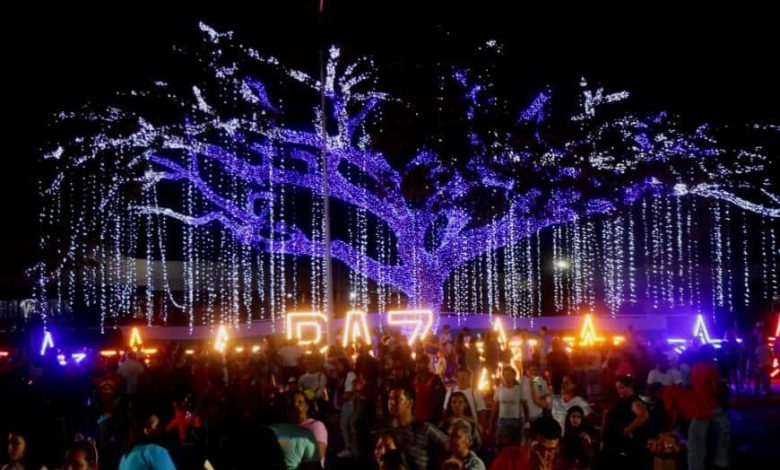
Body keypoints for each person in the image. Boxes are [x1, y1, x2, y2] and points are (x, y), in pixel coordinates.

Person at [386, 385, 447, 470]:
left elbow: (450, 445)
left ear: (410, 403)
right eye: (390, 399)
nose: (391, 402)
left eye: (397, 399)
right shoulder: (384, 429)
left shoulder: (425, 428)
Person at [600, 375, 649, 468]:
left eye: (621, 388)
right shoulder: (621, 402)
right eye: (617, 389)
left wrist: (628, 428)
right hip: (613, 447)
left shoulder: (634, 402)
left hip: (625, 449)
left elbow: (644, 415)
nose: (619, 391)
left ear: (630, 387)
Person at [489, 416, 562, 470]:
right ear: (529, 441)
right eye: (540, 448)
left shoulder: (559, 464)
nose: (545, 455)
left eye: (550, 450)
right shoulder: (509, 456)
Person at [491, 366, 527, 447]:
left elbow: (525, 406)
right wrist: (491, 424)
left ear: (514, 376)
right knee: (503, 444)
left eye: (509, 375)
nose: (506, 377)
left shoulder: (519, 389)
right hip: (502, 420)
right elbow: (495, 407)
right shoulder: (499, 389)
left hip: (515, 421)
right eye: (504, 375)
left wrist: (526, 422)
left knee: (515, 444)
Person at [289, 391, 327, 468]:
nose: (295, 405)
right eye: (293, 403)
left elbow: (317, 455)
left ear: (306, 406)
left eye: (300, 402)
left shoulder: (316, 426)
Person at [411, 355, 446, 424]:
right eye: (416, 363)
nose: (417, 365)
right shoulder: (414, 379)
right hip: (417, 417)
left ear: (426, 365)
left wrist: (438, 415)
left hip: (431, 418)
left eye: (420, 363)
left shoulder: (434, 379)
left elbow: (442, 397)